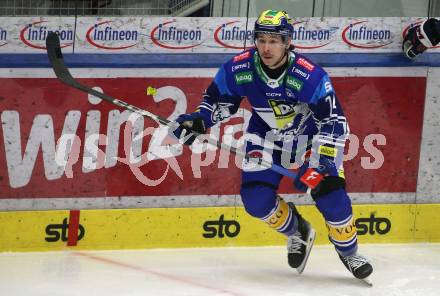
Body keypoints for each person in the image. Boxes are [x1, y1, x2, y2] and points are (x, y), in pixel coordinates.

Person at [171, 9, 373, 281]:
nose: (266, 47)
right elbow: (217, 101)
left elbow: (333, 124)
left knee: (331, 197)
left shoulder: (309, 76)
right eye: (261, 39)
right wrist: (199, 121)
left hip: (311, 141)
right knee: (255, 199)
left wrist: (318, 166)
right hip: (265, 136)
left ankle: (349, 253)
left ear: (288, 42)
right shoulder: (239, 68)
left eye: (274, 40)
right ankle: (298, 231)